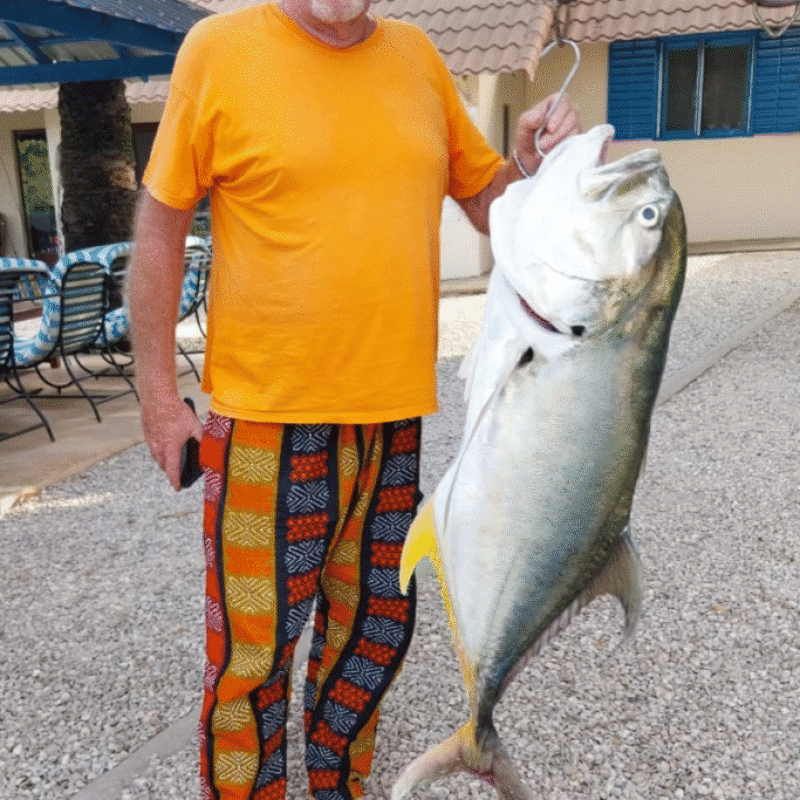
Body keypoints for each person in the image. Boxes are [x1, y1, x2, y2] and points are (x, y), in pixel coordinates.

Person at [129, 1, 580, 798]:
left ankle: (339, 784)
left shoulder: (417, 58)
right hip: (266, 422)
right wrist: (160, 398)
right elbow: (163, 229)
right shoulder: (220, 50)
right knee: (252, 658)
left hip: (392, 420)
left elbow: (491, 204)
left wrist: (528, 163)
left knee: (372, 635)